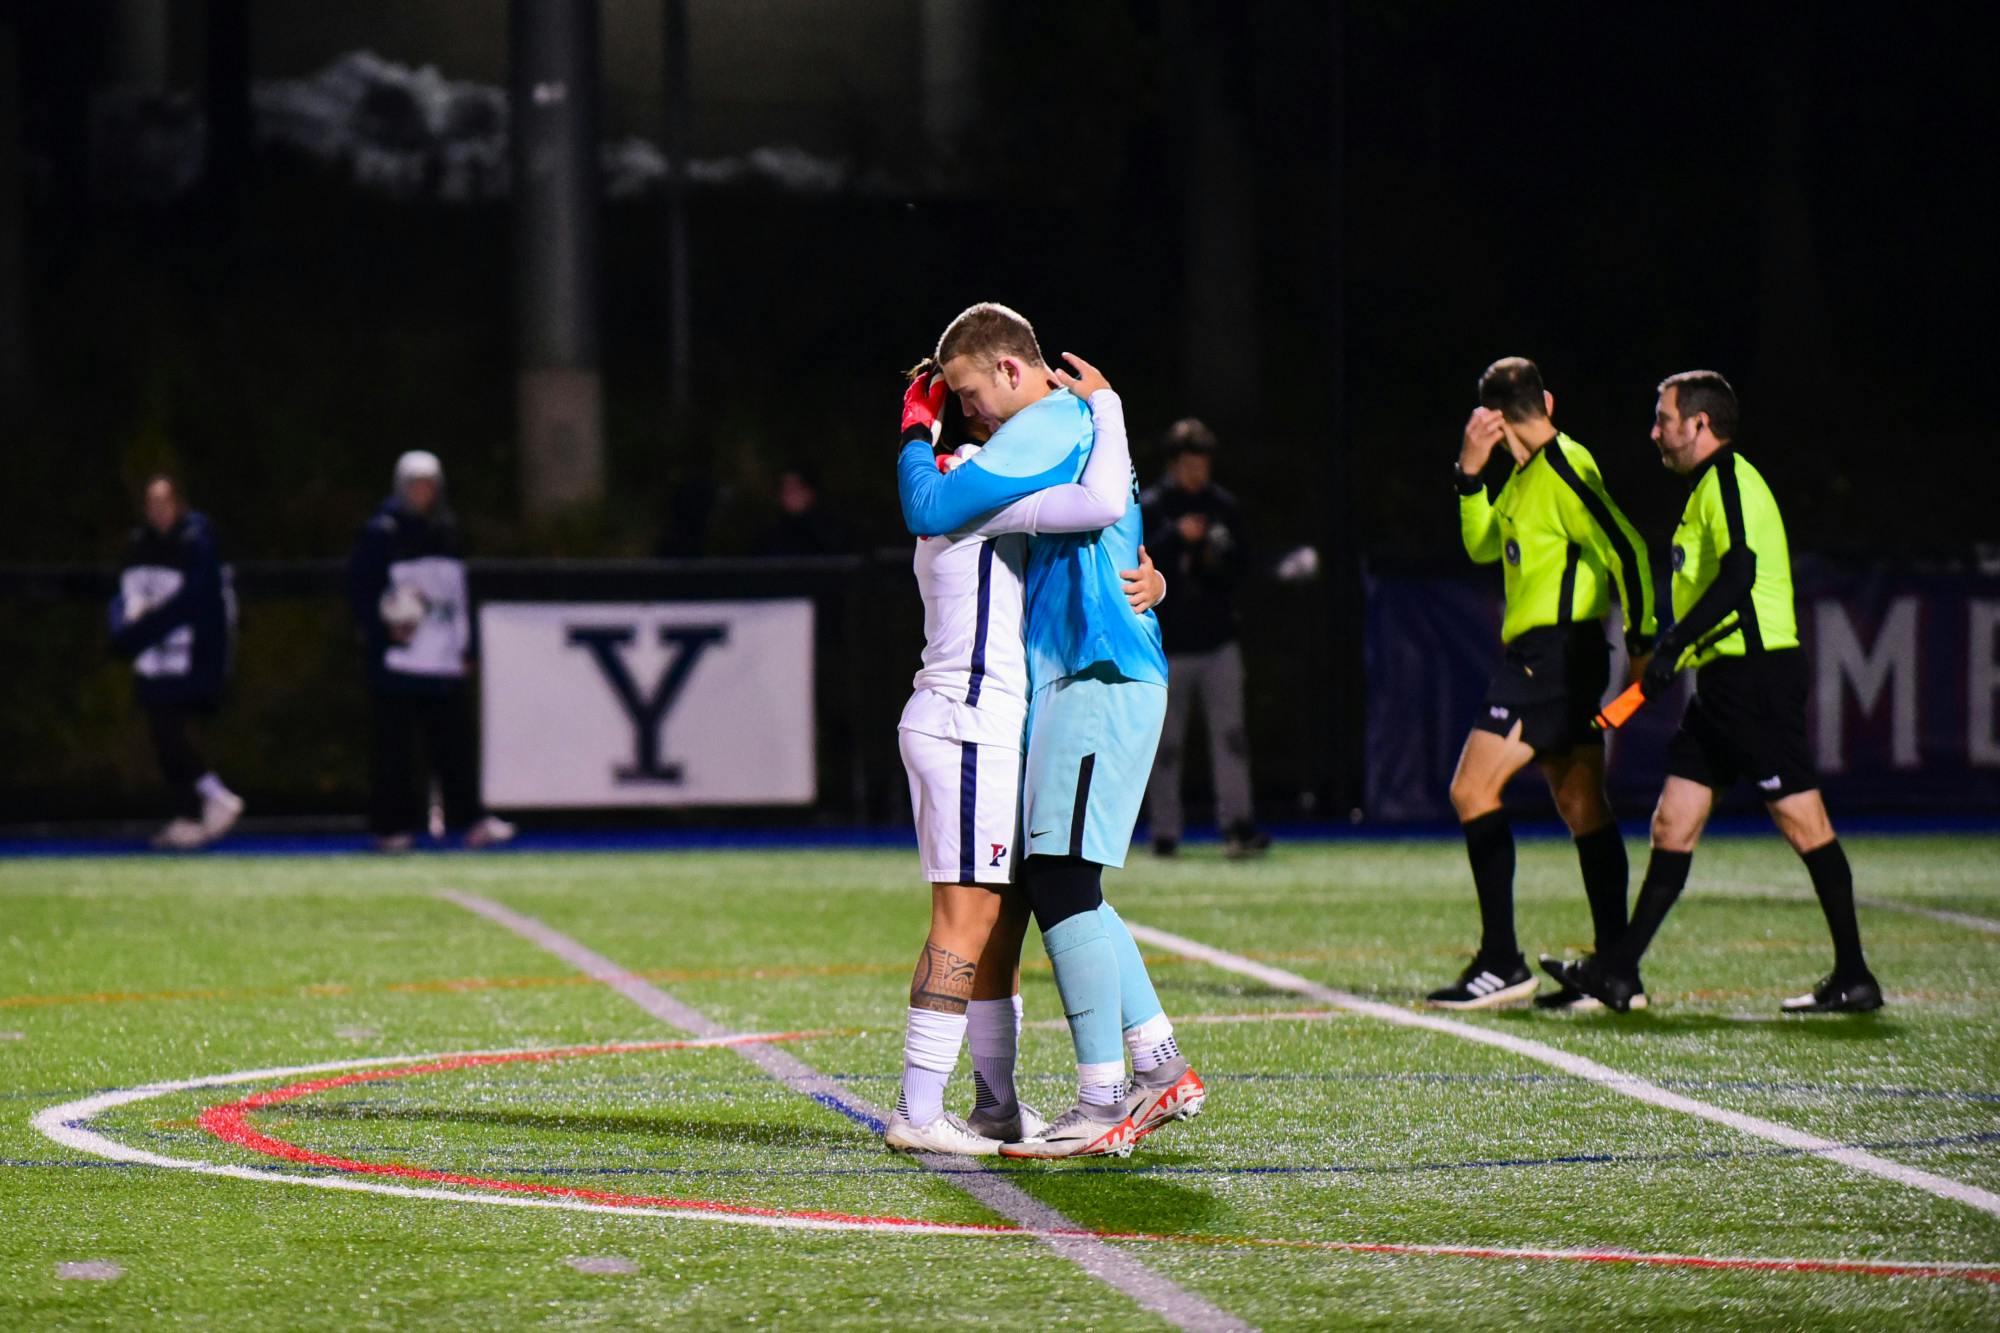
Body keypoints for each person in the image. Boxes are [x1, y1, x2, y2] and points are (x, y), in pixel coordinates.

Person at [900, 303, 1205, 1159]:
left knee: (1061, 878)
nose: (969, 413)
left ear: (1009, 369)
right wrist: (1147, 579)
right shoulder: (1066, 426)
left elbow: (935, 502)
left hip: (1094, 672)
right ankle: (1156, 1061)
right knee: (1058, 881)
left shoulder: (1049, 421)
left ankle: (1106, 1096)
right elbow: (1105, 517)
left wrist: (916, 431)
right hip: (1074, 675)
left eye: (968, 392)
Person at [1543, 371, 1883, 1014]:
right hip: (1724, 683)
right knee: (1672, 822)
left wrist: (1674, 646)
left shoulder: (1728, 479)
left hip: (1756, 680)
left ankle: (1855, 975)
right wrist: (1683, 654)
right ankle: (1619, 972)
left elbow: (1739, 575)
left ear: (1700, 424)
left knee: (1802, 820)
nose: (1654, 432)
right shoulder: (1709, 487)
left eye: (1664, 419)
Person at [1429, 357, 1656, 1010]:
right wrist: (1469, 476)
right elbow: (1483, 546)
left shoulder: (1563, 467)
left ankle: (1503, 961)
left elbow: (1629, 548)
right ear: (1547, 400)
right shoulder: (1525, 476)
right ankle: (1615, 971)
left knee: (1472, 789)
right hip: (1551, 658)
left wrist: (1643, 645)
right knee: (1583, 803)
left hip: (1552, 657)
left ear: (1492, 419)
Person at [346, 451, 515, 853]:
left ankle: (469, 819)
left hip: (443, 659)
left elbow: (459, 594)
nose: (422, 492)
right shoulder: (382, 532)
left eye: (429, 484)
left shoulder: (448, 531)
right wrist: (384, 630)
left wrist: (467, 646)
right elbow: (361, 590)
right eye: (415, 484)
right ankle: (391, 827)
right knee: (394, 749)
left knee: (455, 746)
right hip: (399, 662)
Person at [1140, 417, 1270, 858]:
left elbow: (1242, 566)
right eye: (1190, 462)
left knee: (1231, 738)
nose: (1198, 471)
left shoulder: (1222, 506)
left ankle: (1238, 825)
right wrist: (1177, 537)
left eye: (1203, 462)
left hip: (1217, 641)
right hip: (1167, 645)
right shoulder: (1153, 505)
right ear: (1174, 463)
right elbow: (1136, 561)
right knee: (1165, 745)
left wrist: (1217, 555)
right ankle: (1164, 832)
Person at [109, 474, 244, 849]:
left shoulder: (197, 542)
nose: (158, 511)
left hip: (189, 656)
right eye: (151, 504)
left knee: (175, 730)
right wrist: (128, 625)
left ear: (179, 503)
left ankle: (210, 800)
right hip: (154, 658)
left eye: (164, 503)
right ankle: (192, 812)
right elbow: (125, 595)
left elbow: (196, 602)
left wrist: (143, 629)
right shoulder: (140, 544)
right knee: (162, 733)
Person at [752, 464, 855, 557]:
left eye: (796, 488)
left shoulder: (833, 533)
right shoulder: (768, 536)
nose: (790, 494)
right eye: (785, 488)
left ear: (810, 492)